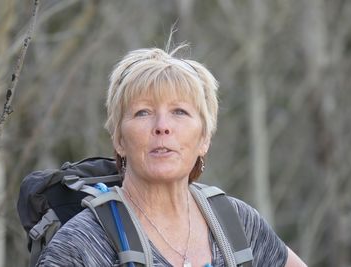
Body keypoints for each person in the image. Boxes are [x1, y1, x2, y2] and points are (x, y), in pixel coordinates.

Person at [36, 45, 307, 267]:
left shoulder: (237, 223)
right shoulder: (82, 244)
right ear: (119, 140)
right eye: (143, 112)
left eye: (180, 111)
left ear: (204, 139)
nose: (162, 126)